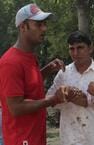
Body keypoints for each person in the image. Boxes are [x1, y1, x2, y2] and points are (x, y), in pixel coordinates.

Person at [0, 3, 66, 145]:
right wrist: (53, 99)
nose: (44, 29)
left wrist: (47, 70)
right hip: (21, 139)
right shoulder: (10, 62)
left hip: (35, 136)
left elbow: (27, 87)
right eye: (38, 24)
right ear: (23, 27)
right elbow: (15, 108)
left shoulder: (29, 56)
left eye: (45, 24)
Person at [46, 30, 94, 145]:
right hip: (69, 138)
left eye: (80, 47)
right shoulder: (63, 73)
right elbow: (49, 100)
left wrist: (93, 98)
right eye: (72, 49)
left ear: (90, 48)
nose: (75, 53)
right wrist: (65, 96)